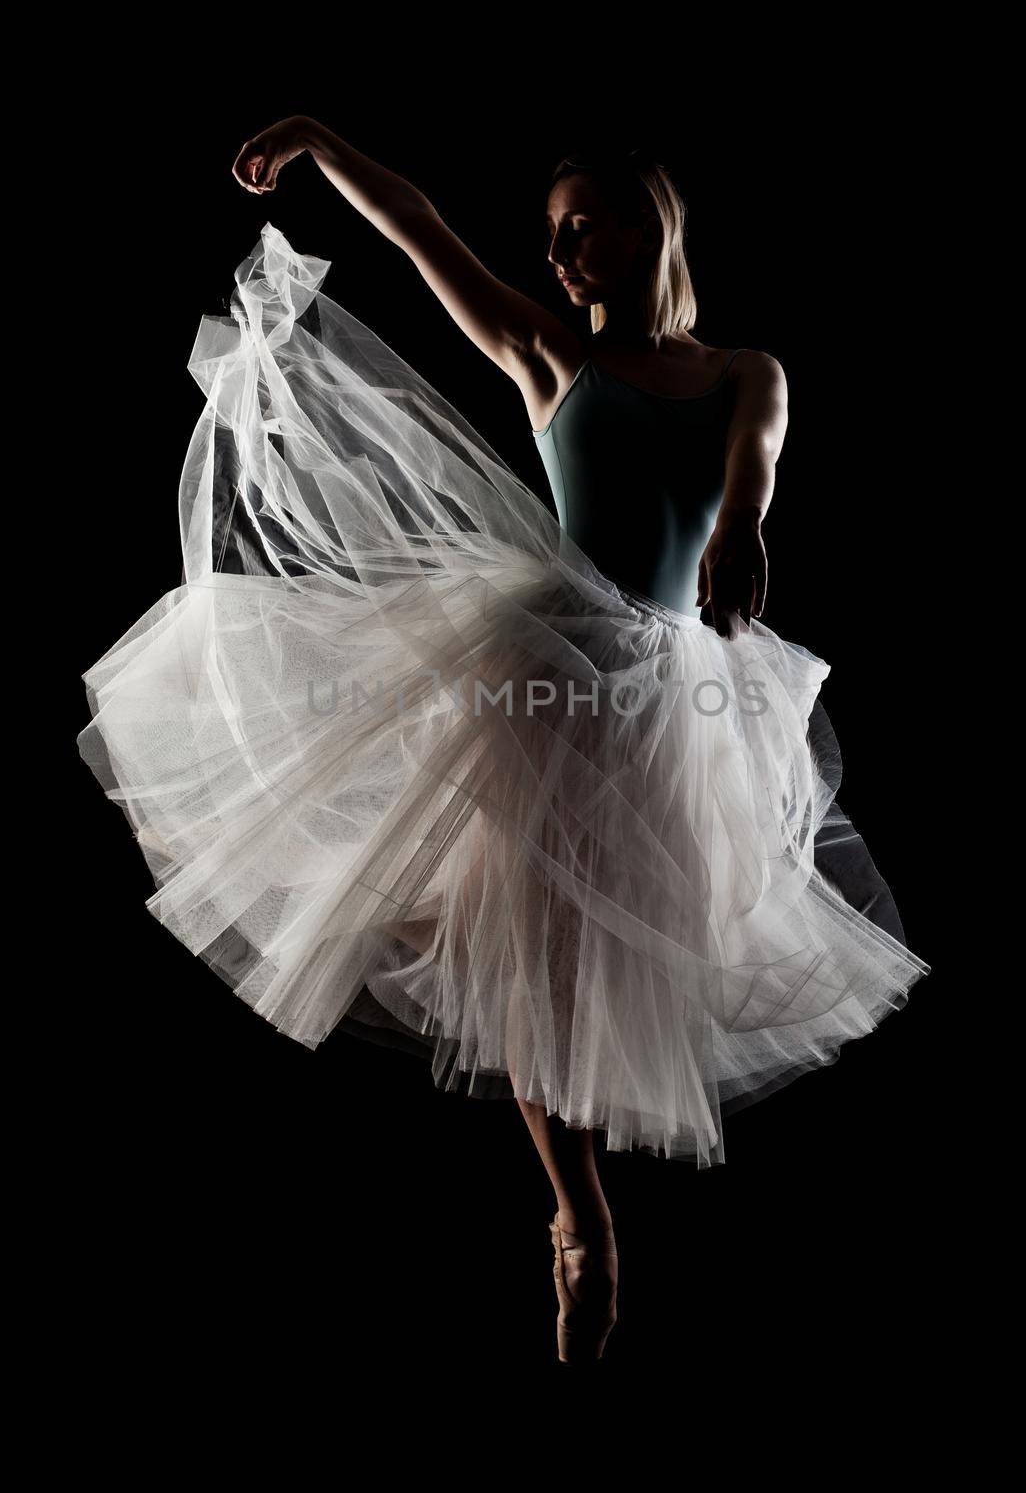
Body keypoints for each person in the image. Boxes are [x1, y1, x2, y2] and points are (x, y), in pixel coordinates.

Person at [78, 121, 931, 1366]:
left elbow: (746, 468)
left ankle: (585, 1212)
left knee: (632, 943)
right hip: (545, 667)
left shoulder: (749, 371)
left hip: (671, 685)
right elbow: (420, 229)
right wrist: (317, 144)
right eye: (554, 232)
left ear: (651, 228)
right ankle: (578, 1214)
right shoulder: (544, 354)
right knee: (525, 946)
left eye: (584, 225)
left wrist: (745, 529)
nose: (564, 250)